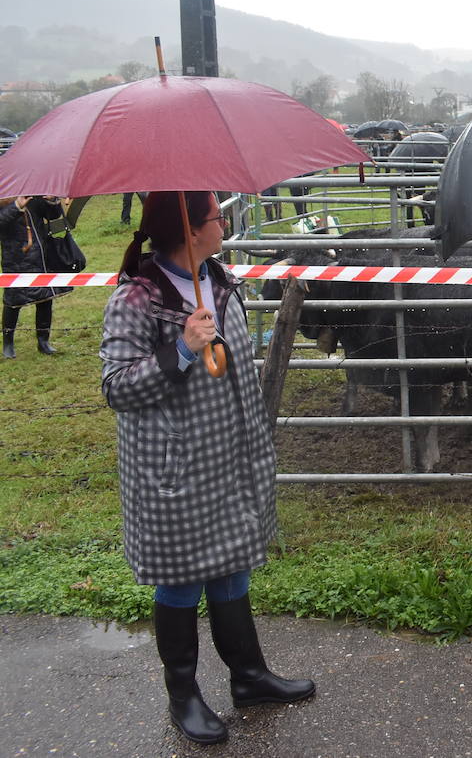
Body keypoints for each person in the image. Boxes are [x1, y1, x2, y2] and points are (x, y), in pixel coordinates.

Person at [100, 191, 314, 744]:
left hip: (230, 456)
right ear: (191, 230)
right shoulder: (138, 297)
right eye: (218, 217)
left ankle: (248, 677)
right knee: (181, 580)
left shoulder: (217, 280)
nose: (225, 224)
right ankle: (184, 695)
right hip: (176, 469)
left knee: (231, 565)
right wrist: (182, 351)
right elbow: (117, 388)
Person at [1, 195, 72, 358]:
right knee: (13, 301)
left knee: (45, 298)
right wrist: (16, 206)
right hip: (16, 257)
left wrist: (51, 200)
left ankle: (43, 341)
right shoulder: (4, 194)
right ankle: (8, 343)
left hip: (41, 255)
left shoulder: (33, 192)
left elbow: (53, 216)